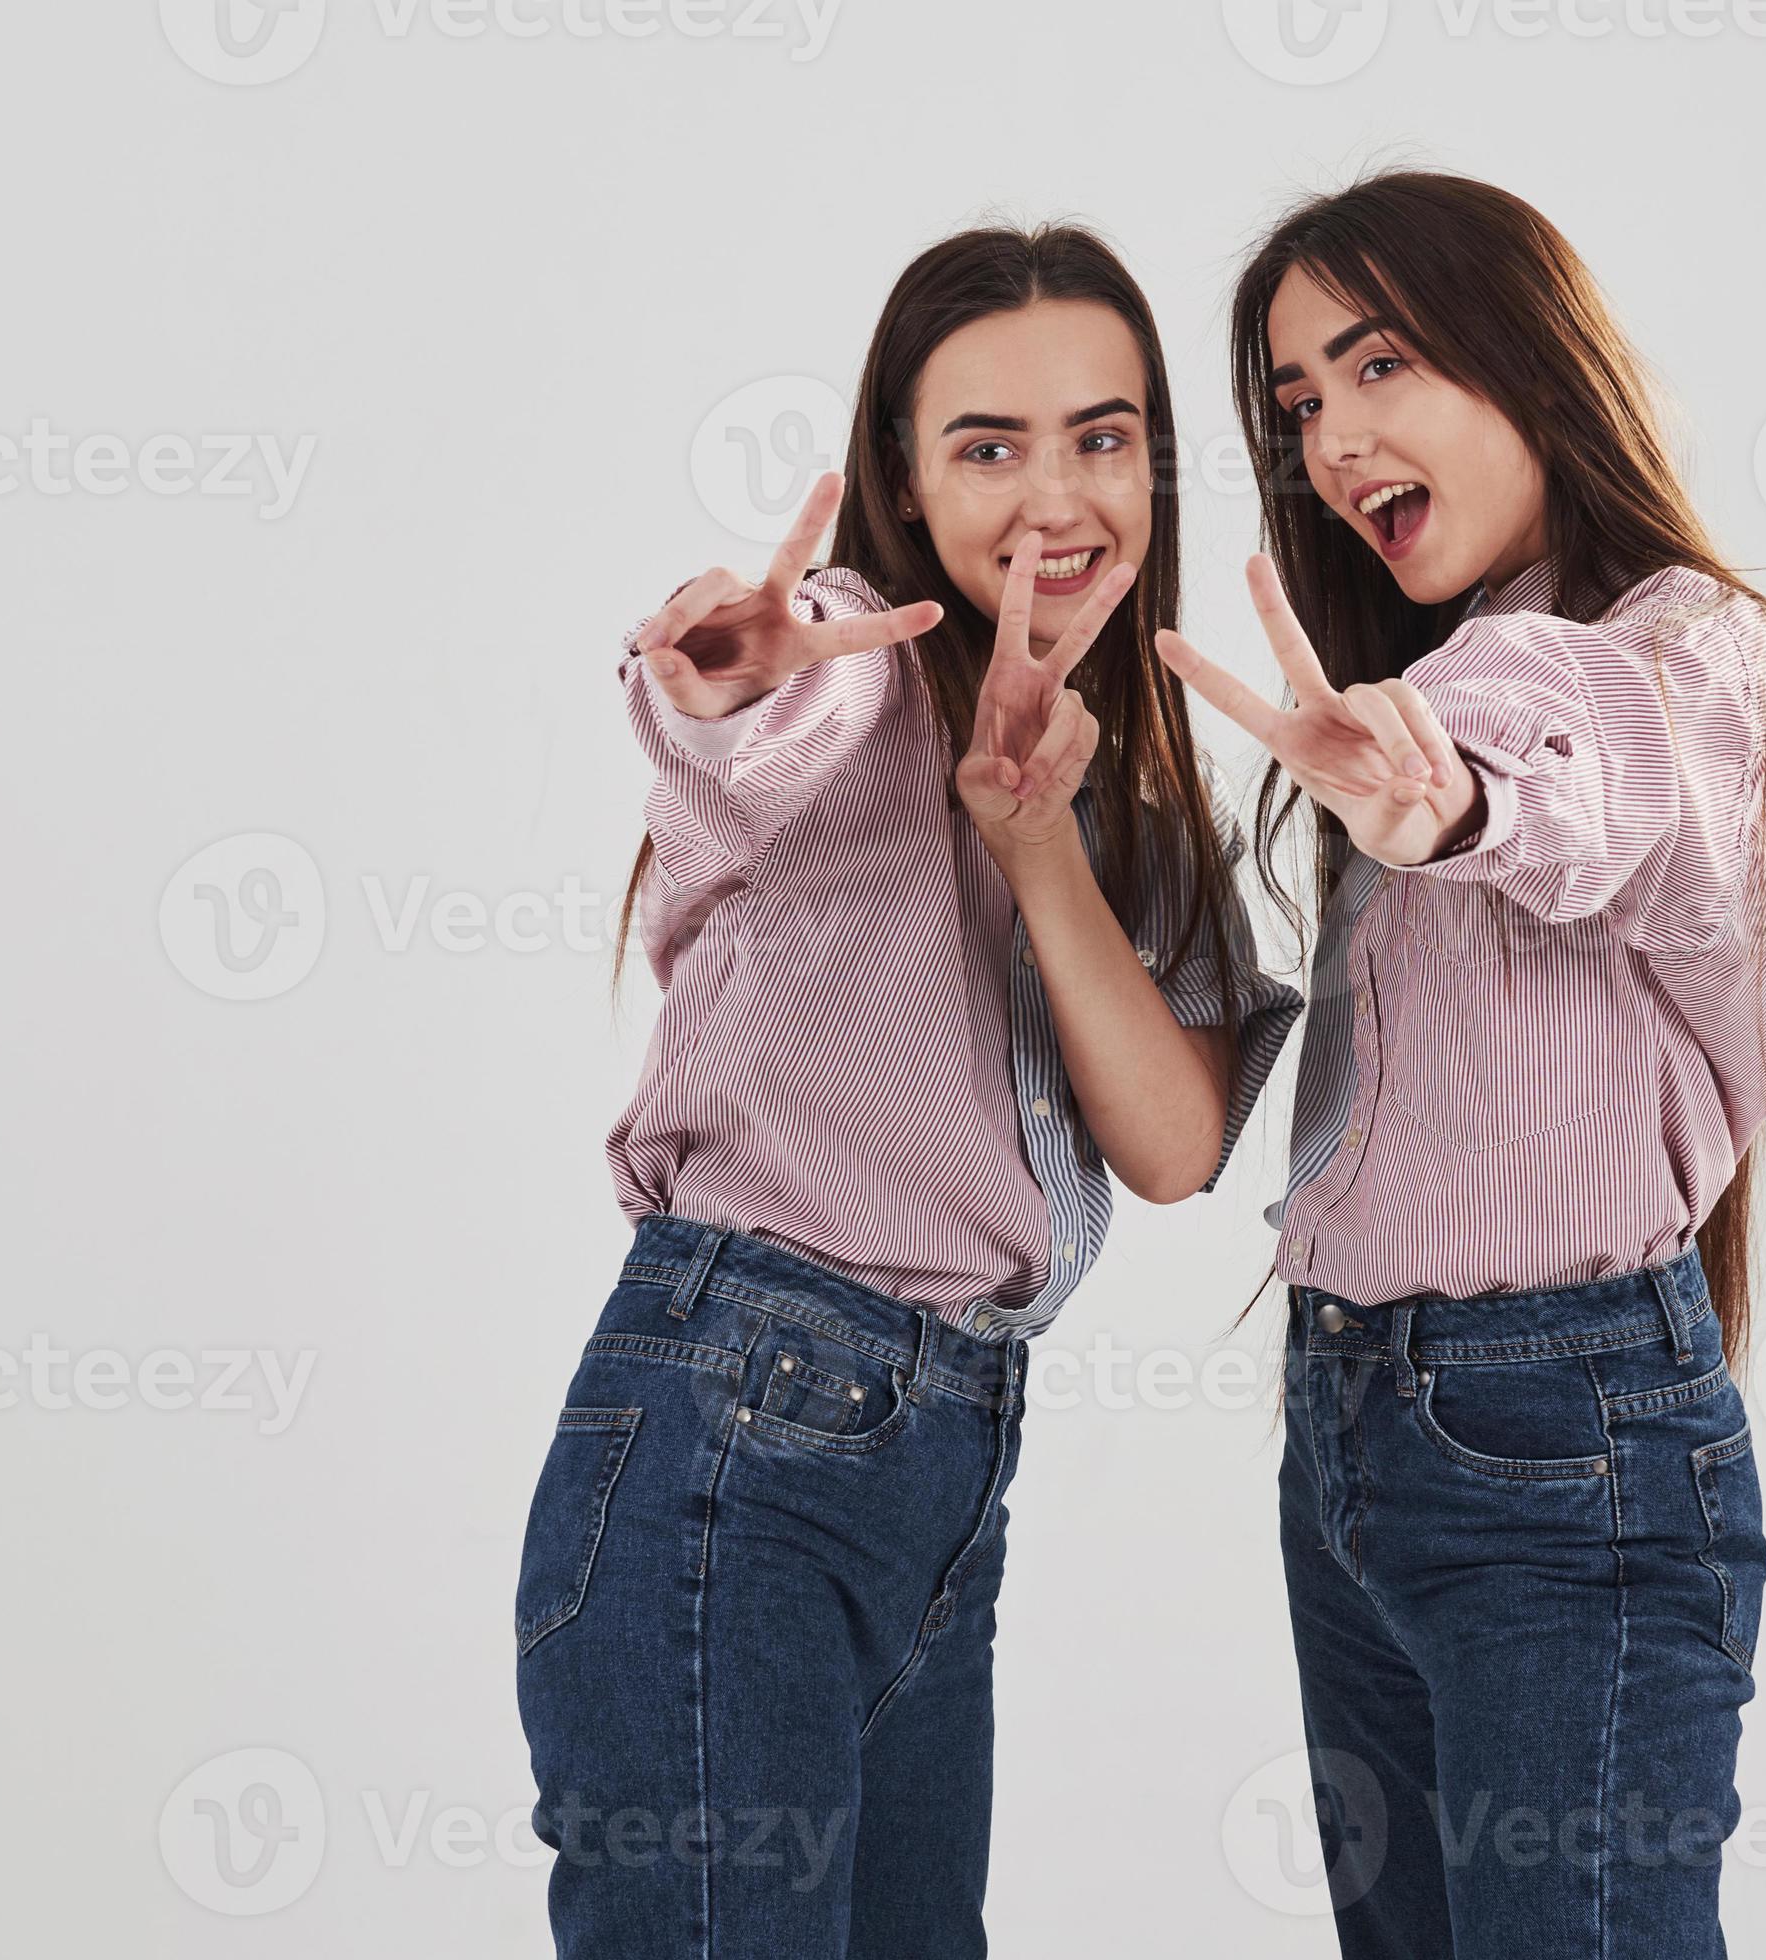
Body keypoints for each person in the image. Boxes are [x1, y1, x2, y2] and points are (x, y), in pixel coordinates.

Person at [515, 223, 1302, 1959]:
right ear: (898, 478)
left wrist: (1038, 845)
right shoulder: (850, 676)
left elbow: (1170, 1146)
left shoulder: (1141, 810)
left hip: (942, 1481)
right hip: (733, 1441)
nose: (1056, 494)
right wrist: (724, 664)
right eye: (985, 446)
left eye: (1101, 437)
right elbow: (734, 707)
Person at [1158, 169, 1766, 1958]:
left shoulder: (1694, 657)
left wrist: (1448, 789)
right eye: (1299, 402)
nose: (1331, 437)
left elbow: (1586, 757)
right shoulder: (1413, 690)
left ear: (1530, 363)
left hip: (1559, 1447)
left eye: (1379, 364)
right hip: (1354, 1428)